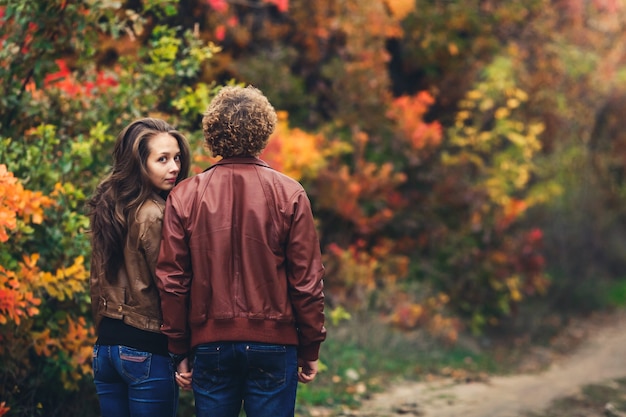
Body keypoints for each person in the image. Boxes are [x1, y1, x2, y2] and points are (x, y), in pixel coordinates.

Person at [156, 85, 326, 417]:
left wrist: (179, 348)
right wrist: (310, 347)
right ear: (265, 130)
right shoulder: (290, 194)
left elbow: (172, 281)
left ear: (212, 133)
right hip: (275, 344)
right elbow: (307, 283)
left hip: (210, 344)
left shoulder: (185, 195)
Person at [87, 117, 192, 417]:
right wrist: (182, 351)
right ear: (138, 164)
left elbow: (96, 283)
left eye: (176, 158)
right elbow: (171, 287)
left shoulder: (109, 208)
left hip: (106, 349)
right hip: (145, 348)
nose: (174, 167)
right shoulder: (155, 214)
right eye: (162, 159)